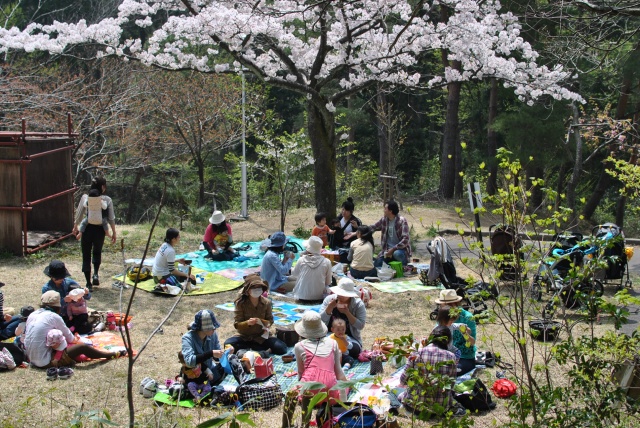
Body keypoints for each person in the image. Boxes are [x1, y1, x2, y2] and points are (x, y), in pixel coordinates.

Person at [24, 291, 127, 369]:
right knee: (82, 347)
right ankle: (112, 354)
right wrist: (78, 340)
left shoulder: (33, 314)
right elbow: (70, 338)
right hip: (46, 362)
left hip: (31, 358)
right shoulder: (53, 316)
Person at [399, 325, 464, 416]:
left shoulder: (417, 353)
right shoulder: (451, 357)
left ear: (430, 338)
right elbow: (451, 385)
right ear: (448, 341)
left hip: (414, 406)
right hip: (440, 409)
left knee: (395, 393)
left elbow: (402, 381)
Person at [224, 274, 288, 355]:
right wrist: (247, 323)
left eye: (259, 287)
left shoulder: (266, 302)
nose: (257, 290)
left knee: (281, 348)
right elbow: (237, 324)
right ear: (248, 290)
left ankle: (254, 350)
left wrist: (263, 322)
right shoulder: (240, 304)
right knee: (228, 344)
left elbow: (270, 320)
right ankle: (258, 350)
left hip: (261, 337)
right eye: (254, 288)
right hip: (244, 337)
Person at [72, 176, 117, 289]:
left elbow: (79, 213)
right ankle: (96, 274)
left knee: (86, 255)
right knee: (97, 252)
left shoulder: (85, 197)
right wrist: (113, 232)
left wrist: (75, 226)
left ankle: (88, 283)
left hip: (87, 229)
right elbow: (111, 218)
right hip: (100, 230)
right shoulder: (107, 199)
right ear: (102, 186)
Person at [181, 309, 246, 387]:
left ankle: (241, 384)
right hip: (194, 378)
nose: (214, 329)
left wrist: (226, 352)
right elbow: (189, 362)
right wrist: (211, 353)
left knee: (233, 361)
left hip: (211, 372)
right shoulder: (187, 338)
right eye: (212, 327)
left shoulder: (213, 335)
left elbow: (217, 357)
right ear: (204, 328)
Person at [294, 310, 346, 402]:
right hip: (329, 394)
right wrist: (348, 384)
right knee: (345, 388)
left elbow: (301, 373)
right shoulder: (333, 343)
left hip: (307, 394)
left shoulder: (299, 346)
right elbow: (339, 373)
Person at [319, 278, 366, 359]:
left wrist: (347, 313)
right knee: (319, 344)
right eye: (339, 293)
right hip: (330, 336)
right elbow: (320, 322)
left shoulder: (358, 304)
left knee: (355, 350)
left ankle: (336, 356)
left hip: (349, 338)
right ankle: (341, 356)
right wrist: (329, 308)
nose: (341, 296)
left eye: (344, 294)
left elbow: (360, 325)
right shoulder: (329, 299)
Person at [434, 289, 477, 375]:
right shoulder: (443, 317)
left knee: (450, 372)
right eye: (443, 305)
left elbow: (472, 342)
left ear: (456, 304)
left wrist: (465, 333)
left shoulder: (467, 317)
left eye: (449, 305)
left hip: (464, 357)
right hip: (445, 354)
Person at [41, 260, 91, 325]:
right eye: (57, 278)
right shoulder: (47, 288)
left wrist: (86, 293)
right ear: (51, 276)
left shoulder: (68, 282)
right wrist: (63, 301)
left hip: (73, 315)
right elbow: (47, 308)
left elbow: (86, 296)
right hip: (56, 317)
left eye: (62, 277)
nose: (60, 279)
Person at [371, 200, 411, 267]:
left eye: (385, 208)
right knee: (377, 264)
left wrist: (393, 249)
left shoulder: (402, 221)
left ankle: (404, 266)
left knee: (397, 254)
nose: (384, 210)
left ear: (390, 211)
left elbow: (406, 239)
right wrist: (359, 229)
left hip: (399, 250)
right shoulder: (384, 220)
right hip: (387, 251)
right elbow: (374, 227)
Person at [291, 236, 333, 302]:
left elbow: (294, 274)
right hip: (319, 297)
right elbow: (328, 282)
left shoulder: (301, 259)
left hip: (301, 296)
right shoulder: (327, 262)